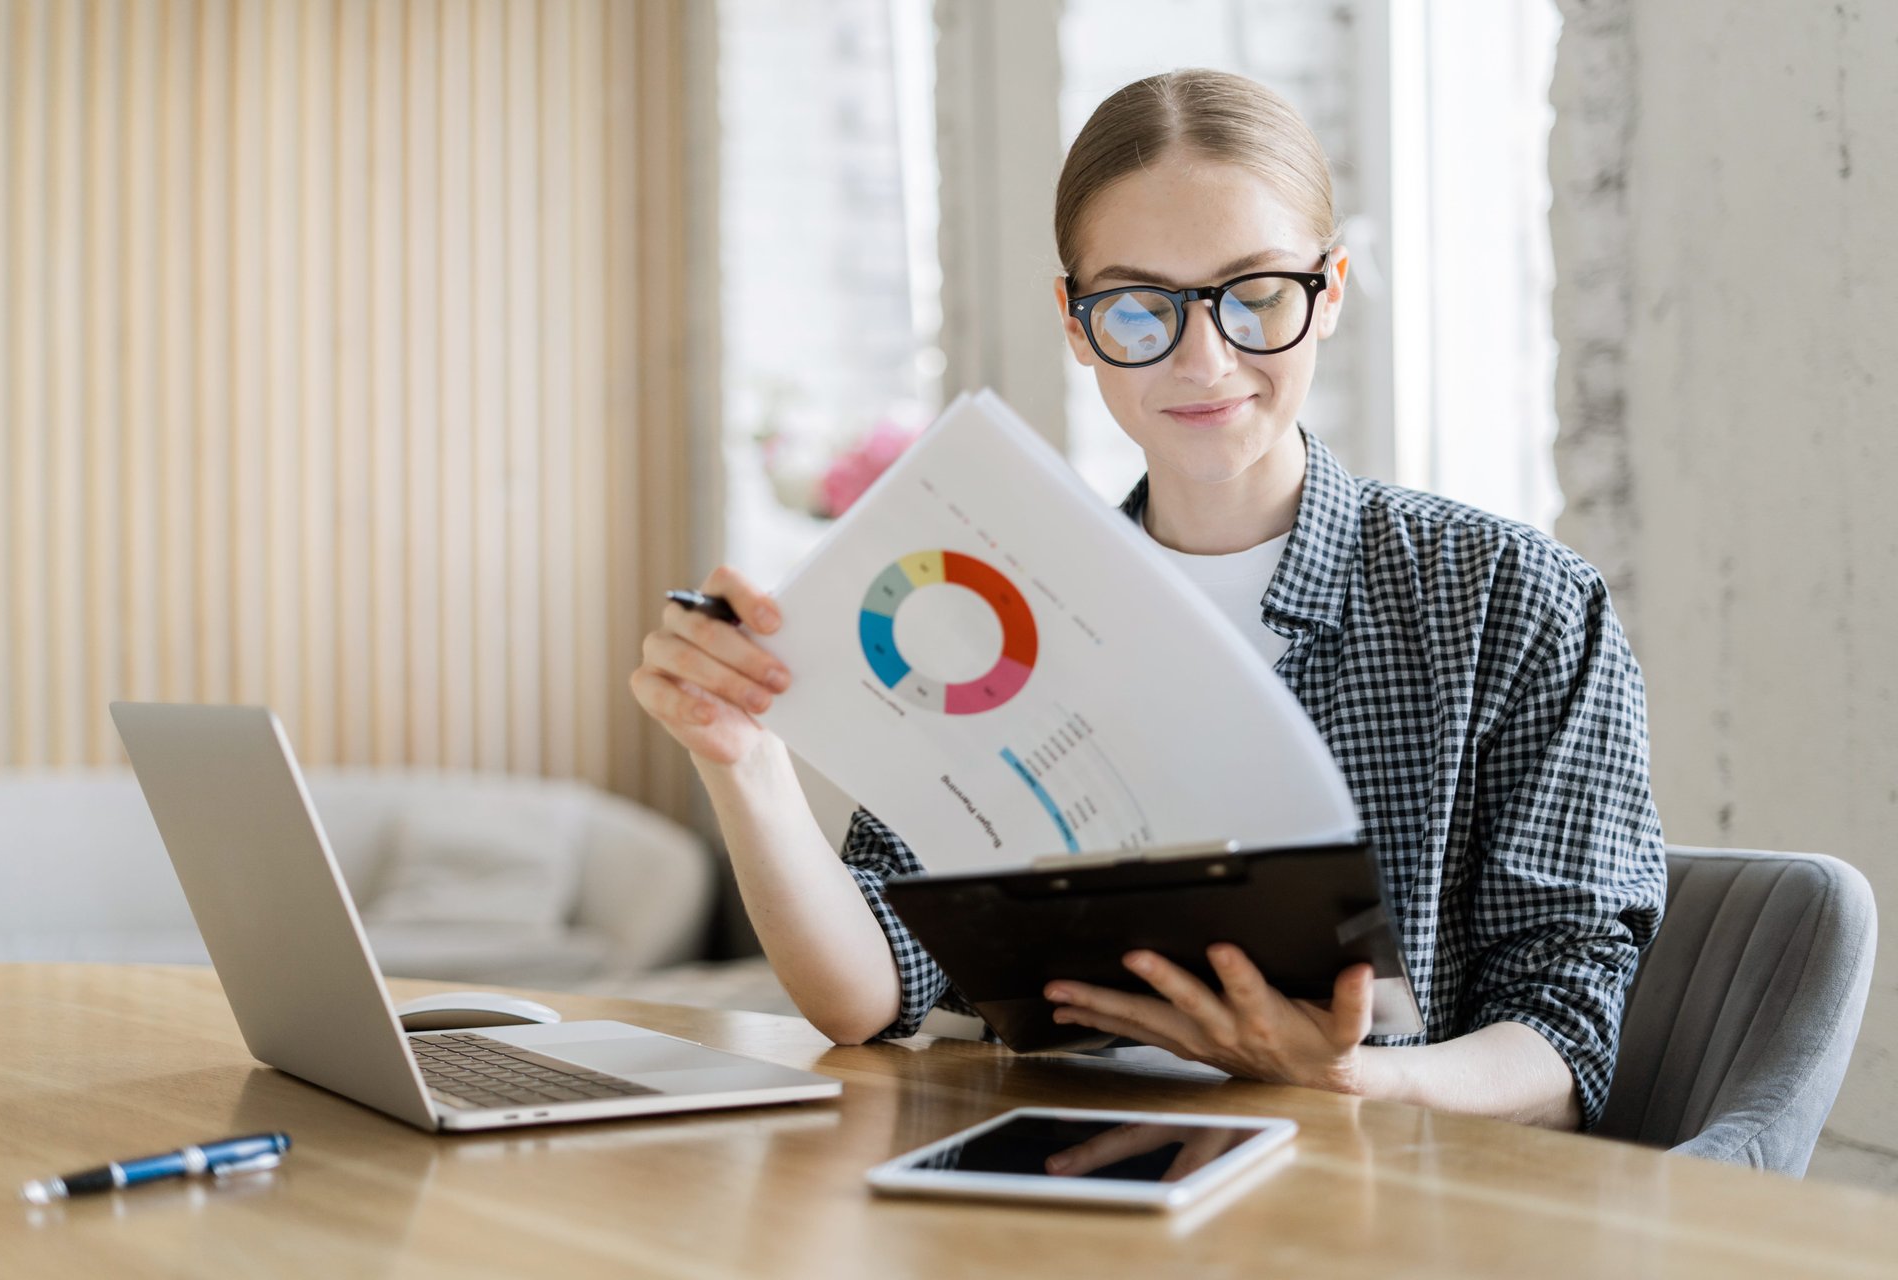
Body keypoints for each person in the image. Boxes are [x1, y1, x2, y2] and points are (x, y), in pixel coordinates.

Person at [630, 69, 1666, 1132]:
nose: (1204, 358)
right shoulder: (993, 609)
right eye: (1137, 307)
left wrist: (1355, 1080)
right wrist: (745, 762)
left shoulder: (1510, 601)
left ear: (1333, 288)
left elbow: (1565, 1036)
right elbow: (870, 992)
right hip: (1048, 1178)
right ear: (1077, 324)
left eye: (1256, 295)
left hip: (1375, 1196)